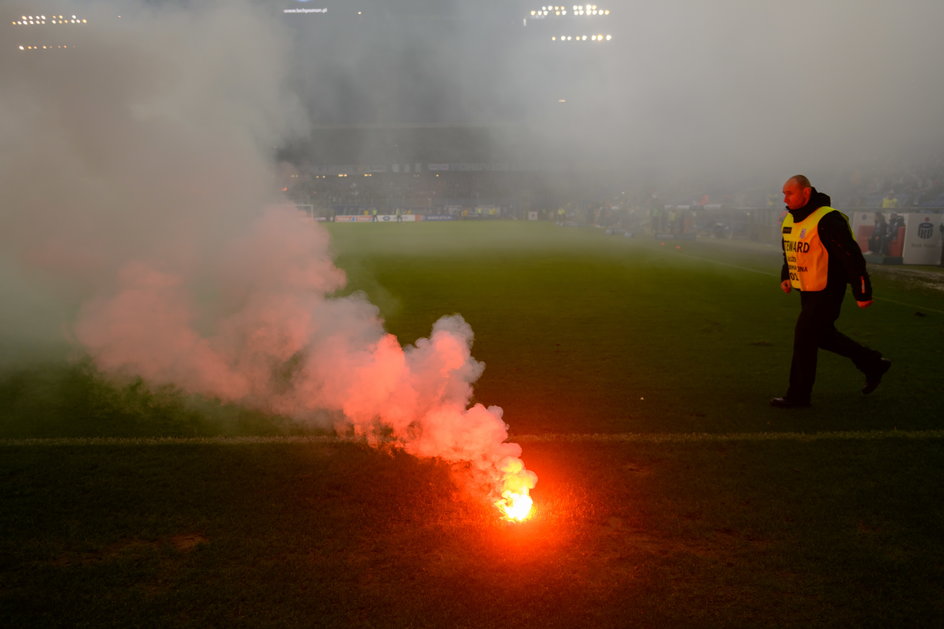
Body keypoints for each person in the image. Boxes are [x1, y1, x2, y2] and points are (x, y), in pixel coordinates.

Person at [771, 175, 891, 408]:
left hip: (828, 289)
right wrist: (786, 275)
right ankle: (873, 363)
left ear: (806, 193)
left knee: (804, 337)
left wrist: (862, 291)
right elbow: (790, 250)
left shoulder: (828, 219)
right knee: (822, 336)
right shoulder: (790, 219)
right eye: (784, 193)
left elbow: (850, 256)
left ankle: (798, 396)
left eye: (789, 193)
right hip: (808, 287)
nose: (785, 198)